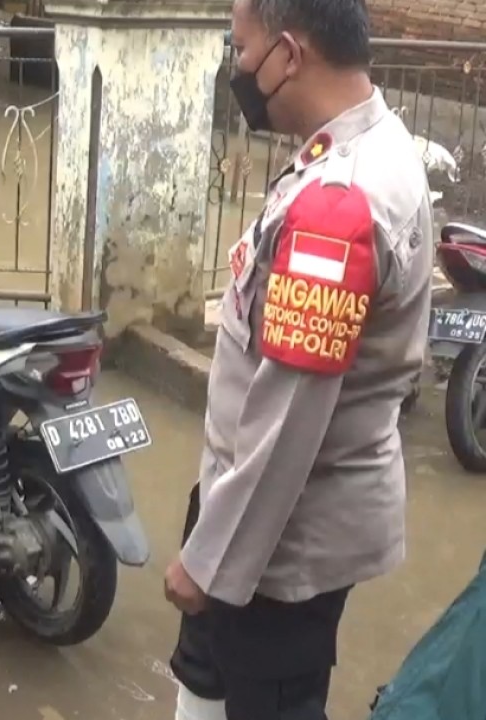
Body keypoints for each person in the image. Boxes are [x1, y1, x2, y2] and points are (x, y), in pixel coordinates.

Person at [164, 0, 432, 718]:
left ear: (288, 54)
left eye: (241, 48)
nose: (238, 68)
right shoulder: (371, 143)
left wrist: (211, 563)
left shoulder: (338, 207)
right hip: (247, 506)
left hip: (279, 549)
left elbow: (289, 420)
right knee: (203, 687)